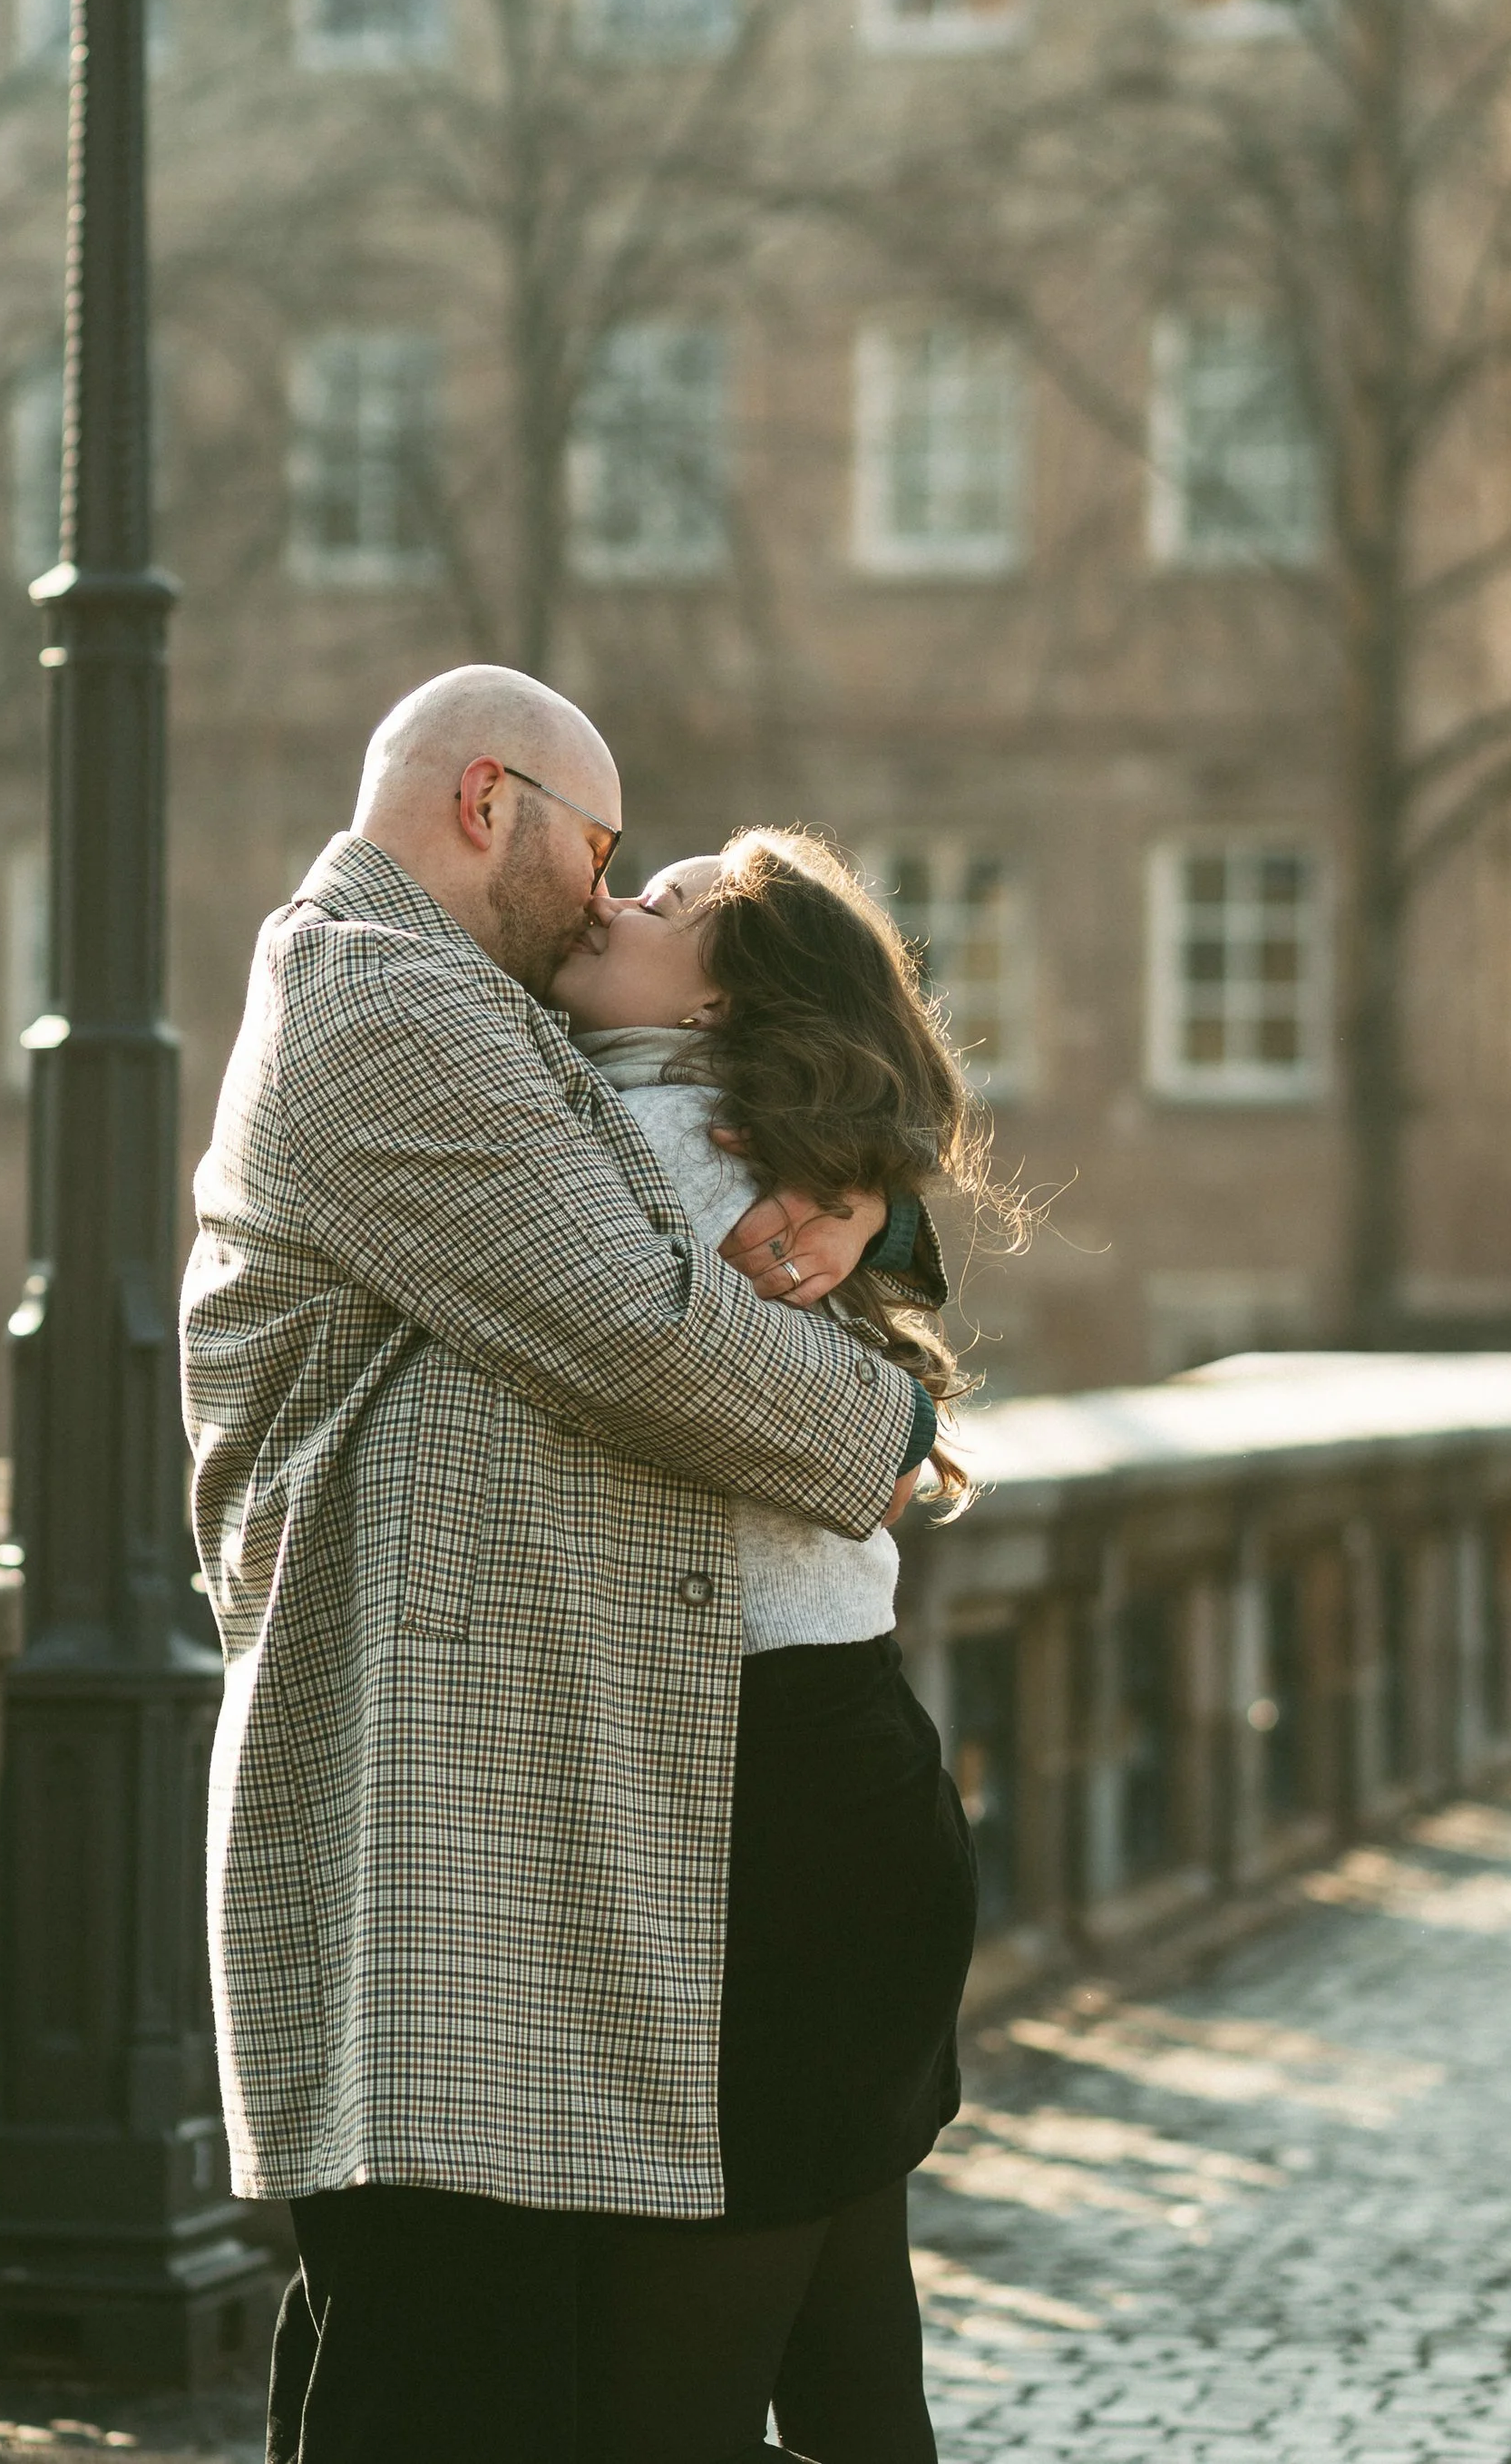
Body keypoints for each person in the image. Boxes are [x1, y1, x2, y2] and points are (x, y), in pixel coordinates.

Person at [182, 667, 944, 2464]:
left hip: (554, 1822)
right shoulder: (373, 992)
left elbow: (707, 1137)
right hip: (427, 1817)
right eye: (600, 851)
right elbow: (636, 1320)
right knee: (456, 2376)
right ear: (485, 804)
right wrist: (887, 1438)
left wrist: (876, 1199)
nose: (608, 894)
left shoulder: (472, 1003)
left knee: (559, 2385)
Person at [552, 825, 991, 2464]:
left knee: (665, 2409)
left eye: (653, 900)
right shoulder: (766, 1151)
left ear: (725, 988)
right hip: (850, 1790)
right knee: (858, 2384)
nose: (606, 899)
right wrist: (872, 1200)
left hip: (765, 1825)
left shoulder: (643, 1142)